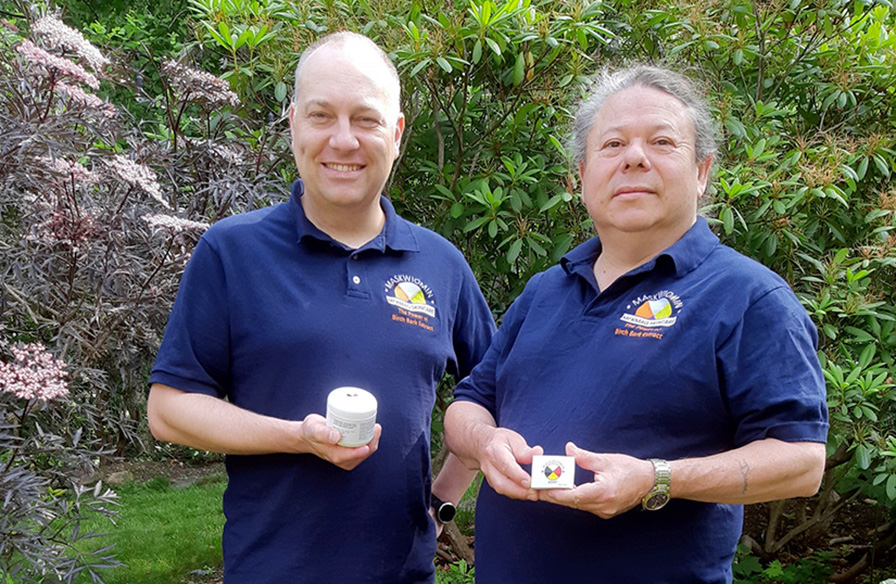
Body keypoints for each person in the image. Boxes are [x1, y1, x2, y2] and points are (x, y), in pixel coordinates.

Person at [444, 65, 829, 583]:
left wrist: (655, 479)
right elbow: (470, 403)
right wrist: (486, 443)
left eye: (662, 141)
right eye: (612, 144)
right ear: (581, 176)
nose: (634, 157)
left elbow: (802, 462)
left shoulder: (747, 297)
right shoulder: (544, 291)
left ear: (702, 171)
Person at [147, 32, 495, 583]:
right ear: (293, 126)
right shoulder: (232, 251)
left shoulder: (441, 265)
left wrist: (445, 497)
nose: (343, 140)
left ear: (397, 134)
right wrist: (295, 437)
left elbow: (492, 397)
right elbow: (169, 410)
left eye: (366, 119)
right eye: (321, 115)